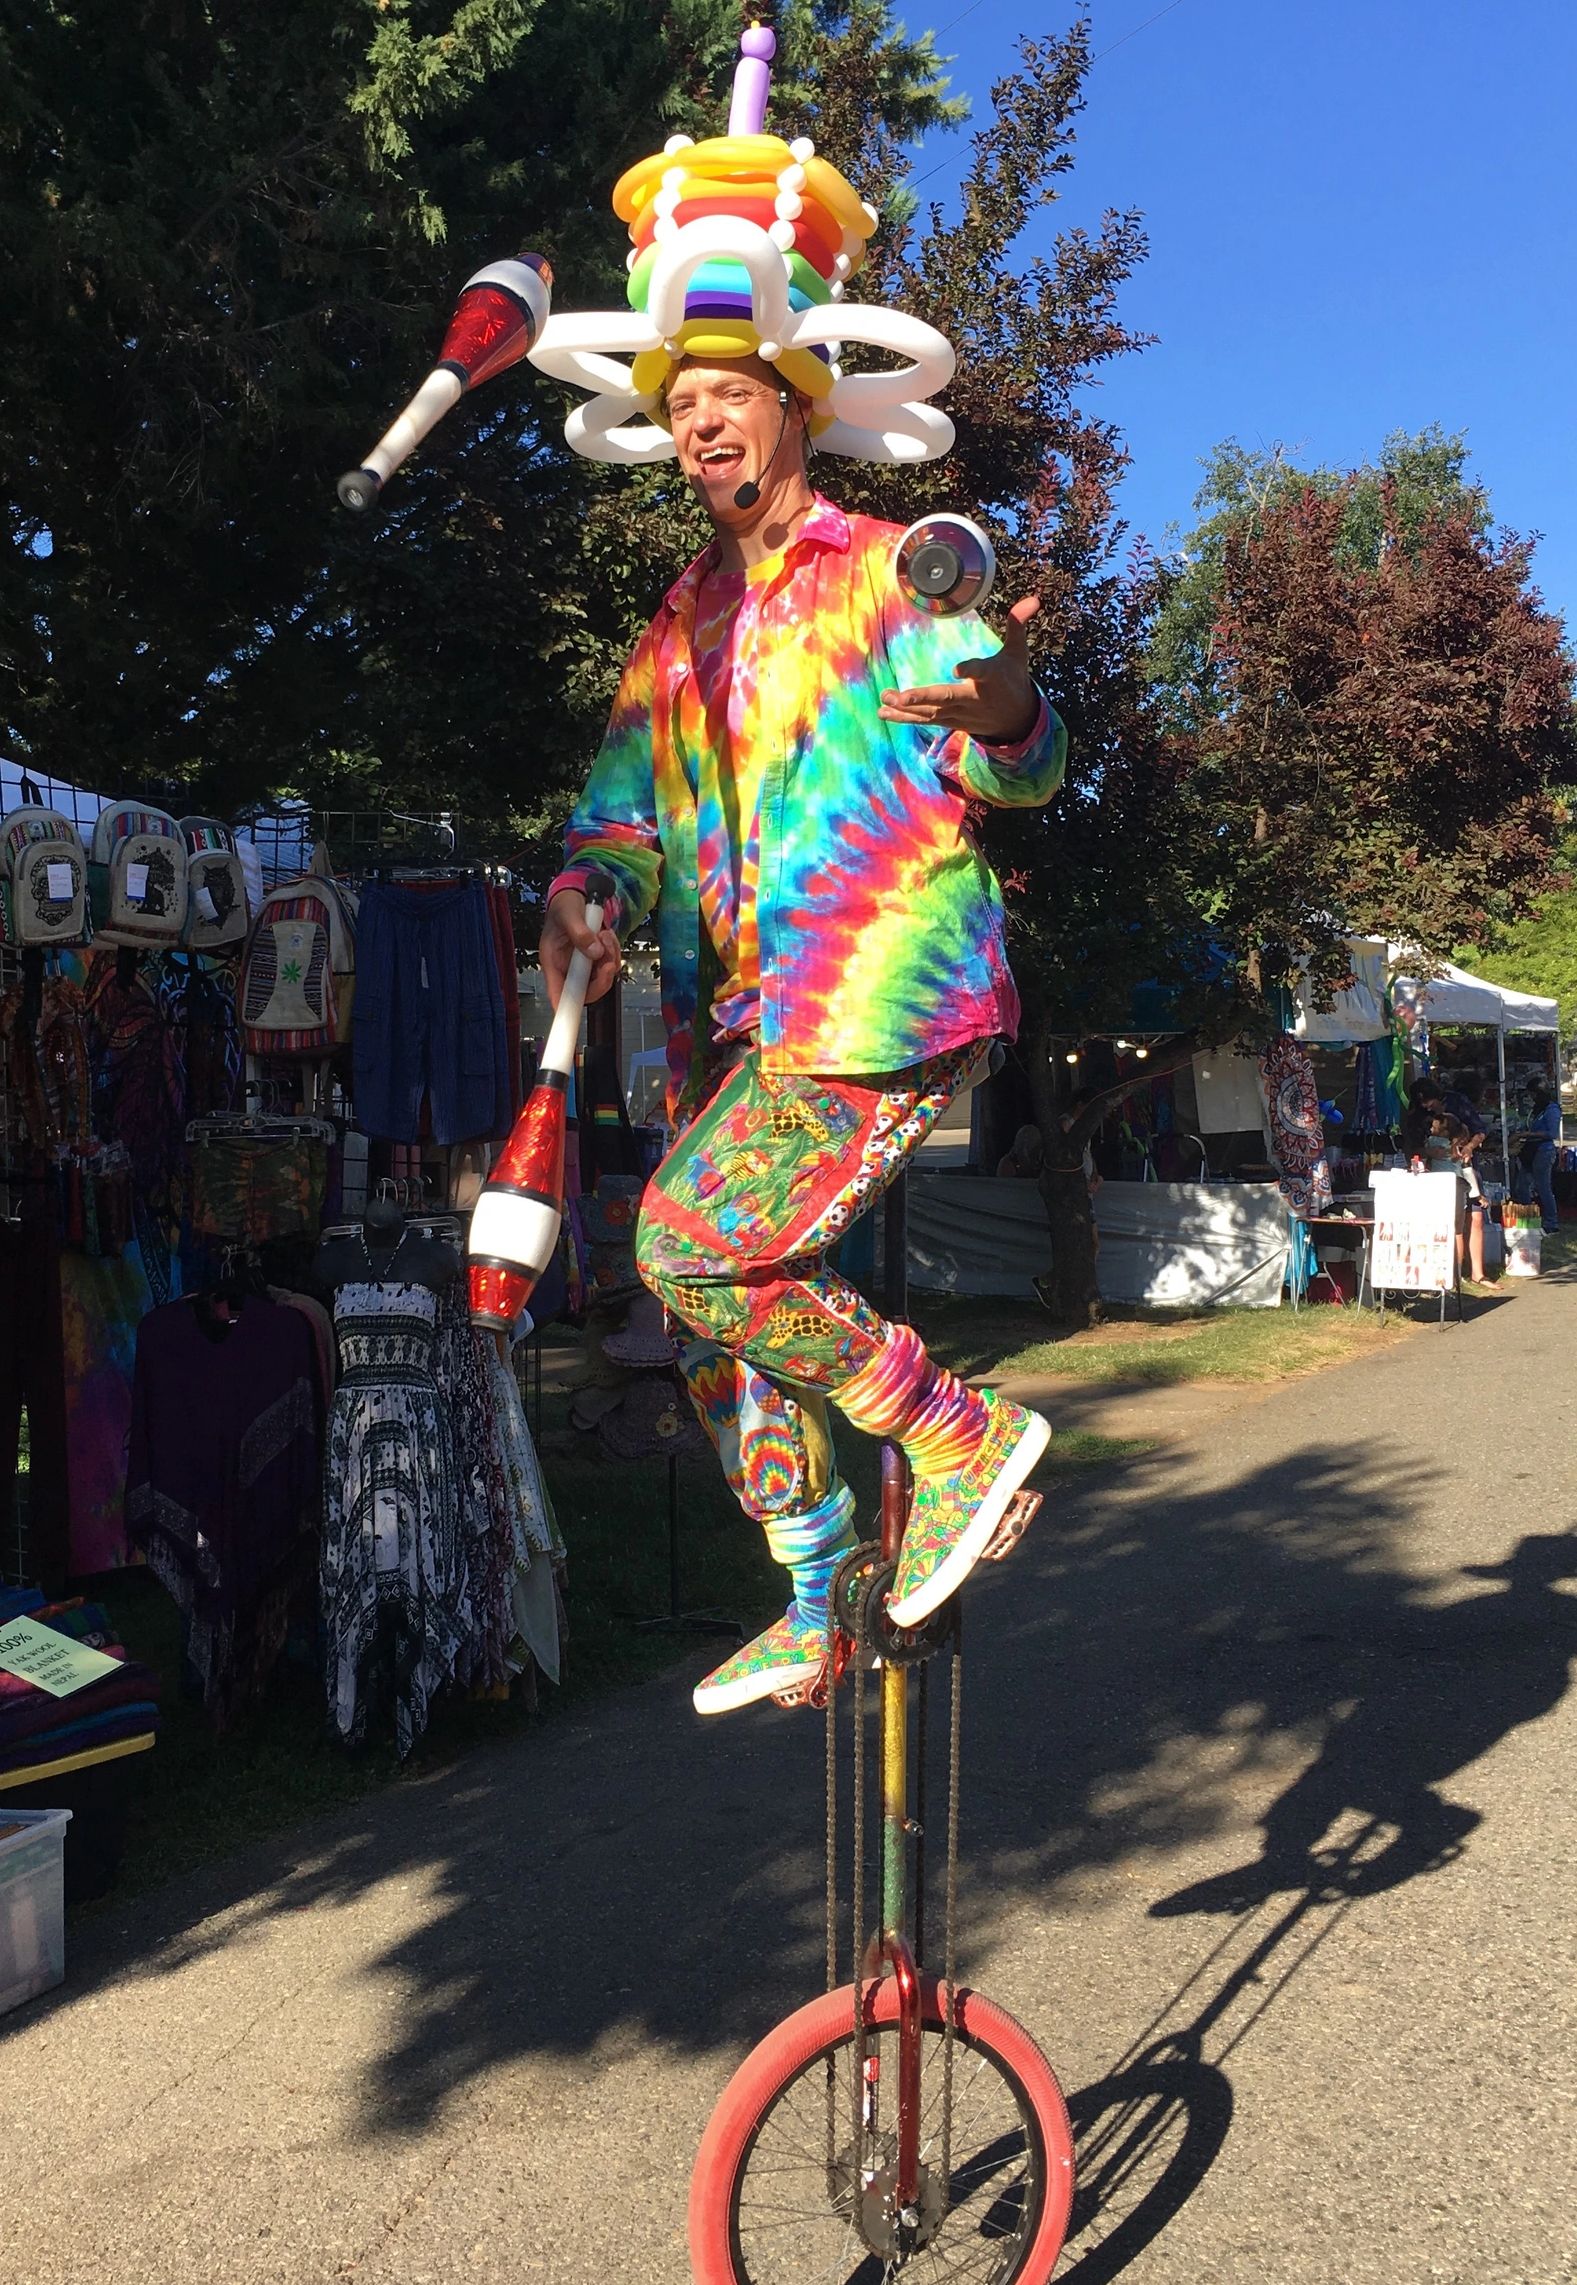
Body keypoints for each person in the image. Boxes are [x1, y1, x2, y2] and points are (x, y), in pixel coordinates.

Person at [533, 63, 1068, 1713]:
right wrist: (584, 889)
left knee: (697, 1244)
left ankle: (959, 1431)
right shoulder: (676, 622)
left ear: (789, 399)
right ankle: (820, 1586)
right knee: (681, 1291)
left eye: (727, 391)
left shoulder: (892, 570)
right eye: (677, 398)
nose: (698, 421)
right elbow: (622, 817)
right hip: (745, 1025)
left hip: (884, 987)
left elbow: (1025, 767)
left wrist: (1004, 710)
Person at [1515, 1084, 1561, 1236]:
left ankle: (1551, 1222)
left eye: (1532, 1095)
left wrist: (1529, 1134)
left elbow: (1552, 1133)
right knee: (1522, 1185)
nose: (1531, 1099)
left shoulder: (1552, 1110)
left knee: (1543, 1187)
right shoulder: (1536, 1110)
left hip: (1544, 1151)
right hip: (1531, 1151)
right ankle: (1528, 1217)